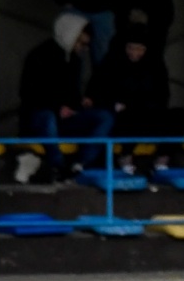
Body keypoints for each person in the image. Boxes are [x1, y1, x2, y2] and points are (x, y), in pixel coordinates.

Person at [17, 13, 114, 180]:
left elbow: (71, 95)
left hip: (63, 119)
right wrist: (57, 108)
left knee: (104, 117)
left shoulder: (74, 59)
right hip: (40, 118)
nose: (84, 48)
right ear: (71, 36)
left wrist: (79, 104)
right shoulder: (38, 56)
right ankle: (58, 167)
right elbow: (29, 94)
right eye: (81, 43)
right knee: (47, 117)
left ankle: (81, 164)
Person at [87, 27, 184, 172]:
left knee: (180, 116)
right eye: (130, 48)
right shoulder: (112, 62)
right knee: (129, 115)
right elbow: (98, 92)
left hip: (150, 114)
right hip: (124, 118)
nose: (134, 53)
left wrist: (145, 106)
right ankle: (125, 157)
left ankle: (162, 159)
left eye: (139, 49)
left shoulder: (156, 65)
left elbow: (162, 96)